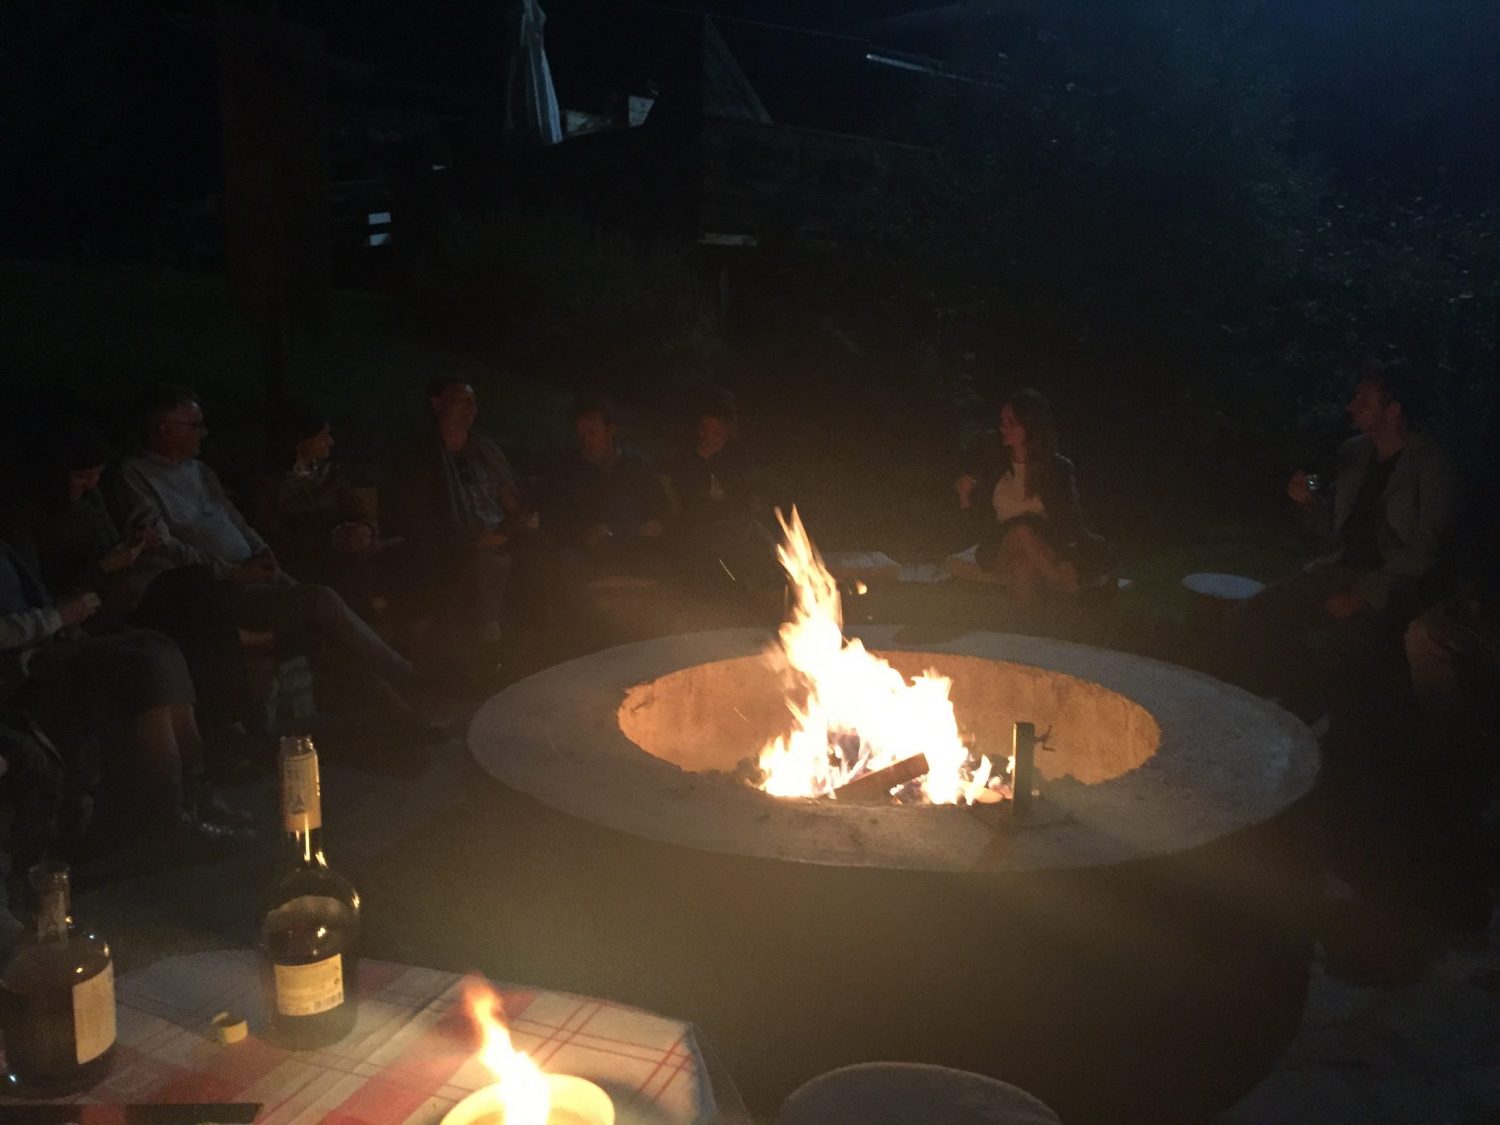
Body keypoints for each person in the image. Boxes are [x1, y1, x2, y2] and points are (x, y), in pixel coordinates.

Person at [110, 387, 434, 733]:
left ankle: (393, 713)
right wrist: (235, 571)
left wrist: (263, 553)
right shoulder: (134, 476)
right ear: (165, 429)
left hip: (255, 570)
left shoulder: (201, 472)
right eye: (194, 425)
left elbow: (235, 520)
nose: (203, 432)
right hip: (215, 589)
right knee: (321, 602)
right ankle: (406, 681)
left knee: (327, 620)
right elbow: (163, 545)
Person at [1231, 364, 1458, 709]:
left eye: (1364, 402)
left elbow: (1424, 549)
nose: (1351, 407)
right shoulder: (1353, 452)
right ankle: (1272, 703)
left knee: (1339, 642)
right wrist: (1308, 501)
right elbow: (1331, 527)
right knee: (1254, 613)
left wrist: (1365, 595)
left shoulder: (1430, 463)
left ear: (1393, 410)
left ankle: (1330, 724)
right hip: (1338, 568)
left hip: (1393, 583)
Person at [0, 540, 250, 847]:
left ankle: (195, 792)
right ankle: (167, 814)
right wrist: (57, 617)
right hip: (18, 674)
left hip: (49, 644)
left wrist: (67, 612)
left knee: (159, 646)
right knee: (142, 665)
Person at [383, 376, 537, 652]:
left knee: (541, 553)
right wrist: (472, 538)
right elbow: (414, 514)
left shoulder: (485, 451)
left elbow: (513, 502)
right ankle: (484, 648)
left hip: (499, 535)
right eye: (459, 401)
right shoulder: (420, 455)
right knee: (479, 564)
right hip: (452, 541)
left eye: (472, 403)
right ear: (437, 404)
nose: (468, 409)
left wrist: (508, 529)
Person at [249, 404, 409, 622]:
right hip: (306, 556)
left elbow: (361, 514)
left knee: (410, 552)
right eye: (322, 437)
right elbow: (272, 535)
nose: (330, 442)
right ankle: (361, 633)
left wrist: (365, 529)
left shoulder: (332, 475)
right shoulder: (268, 484)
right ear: (299, 442)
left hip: (351, 548)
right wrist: (329, 541)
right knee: (349, 566)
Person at [955, 388, 1109, 605]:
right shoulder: (993, 465)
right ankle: (1061, 583)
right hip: (1000, 547)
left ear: (1030, 426)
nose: (1003, 428)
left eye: (1011, 422)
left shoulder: (1056, 468)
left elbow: (1069, 520)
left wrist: (1070, 554)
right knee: (1019, 532)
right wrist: (964, 496)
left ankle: (1032, 630)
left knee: (1023, 568)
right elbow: (977, 523)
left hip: (1043, 544)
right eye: (1002, 421)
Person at [541, 395, 670, 574]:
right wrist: (585, 533)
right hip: (586, 550)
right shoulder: (567, 470)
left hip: (635, 545)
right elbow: (554, 515)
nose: (586, 440)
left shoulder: (635, 465)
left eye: (592, 433)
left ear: (610, 431)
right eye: (581, 434)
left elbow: (659, 504)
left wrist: (655, 522)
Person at [662, 389, 776, 587]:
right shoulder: (686, 460)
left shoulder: (736, 459)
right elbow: (689, 497)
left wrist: (718, 462)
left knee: (758, 543)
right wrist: (704, 461)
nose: (713, 438)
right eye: (708, 432)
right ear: (700, 431)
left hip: (737, 523)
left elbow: (744, 493)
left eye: (719, 433)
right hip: (701, 525)